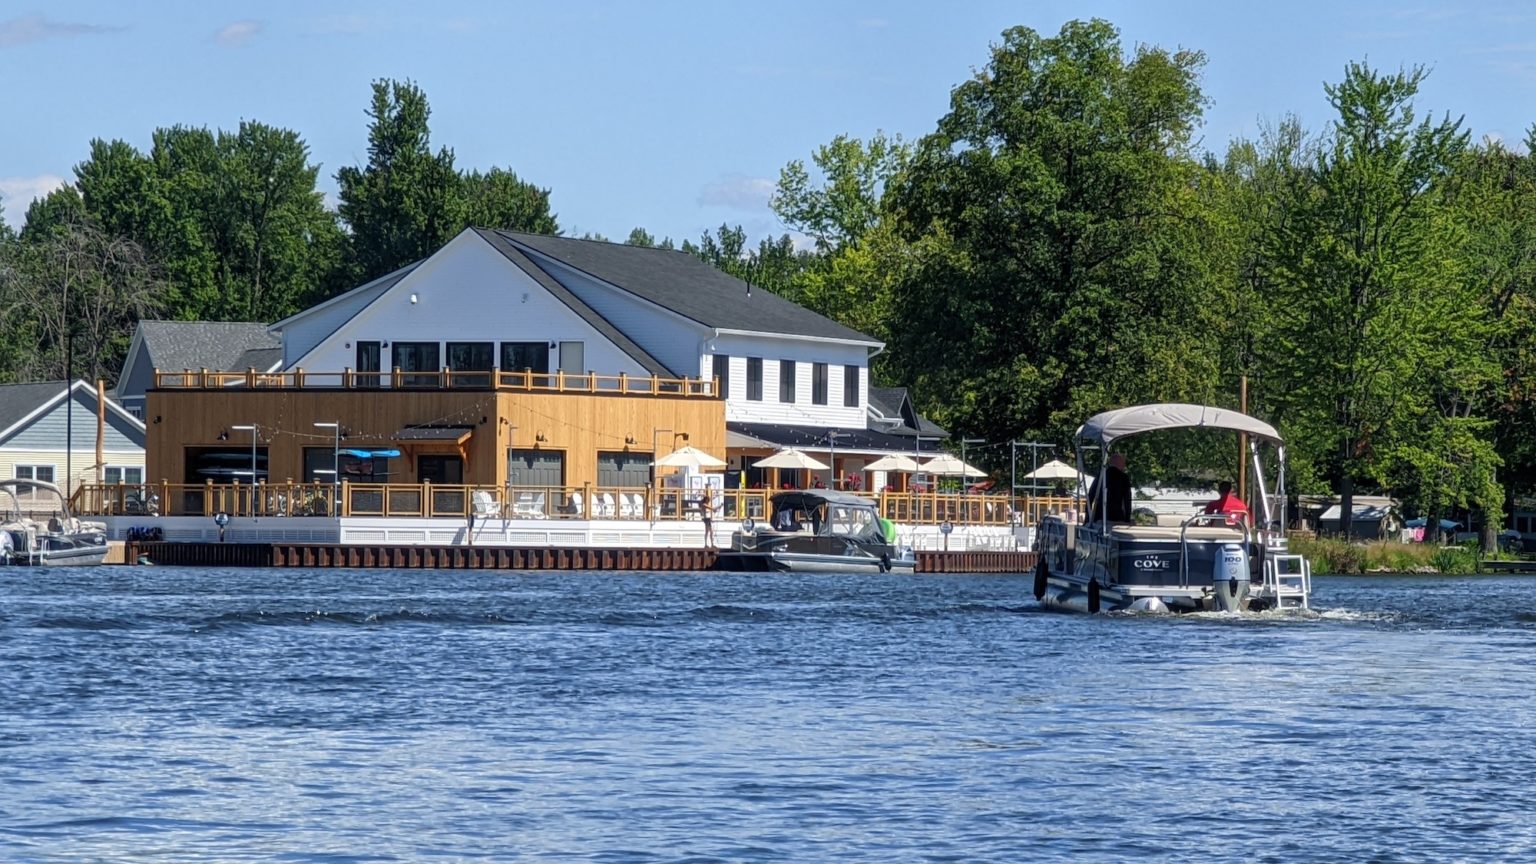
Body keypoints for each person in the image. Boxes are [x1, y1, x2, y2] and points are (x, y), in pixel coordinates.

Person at [1087, 452, 1132, 524]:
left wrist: (1088, 517)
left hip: (1099, 515)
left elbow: (1091, 495)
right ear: (1119, 463)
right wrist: (1127, 518)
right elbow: (1127, 500)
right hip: (1116, 516)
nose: (1124, 465)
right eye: (1123, 463)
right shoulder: (1124, 477)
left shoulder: (1101, 475)